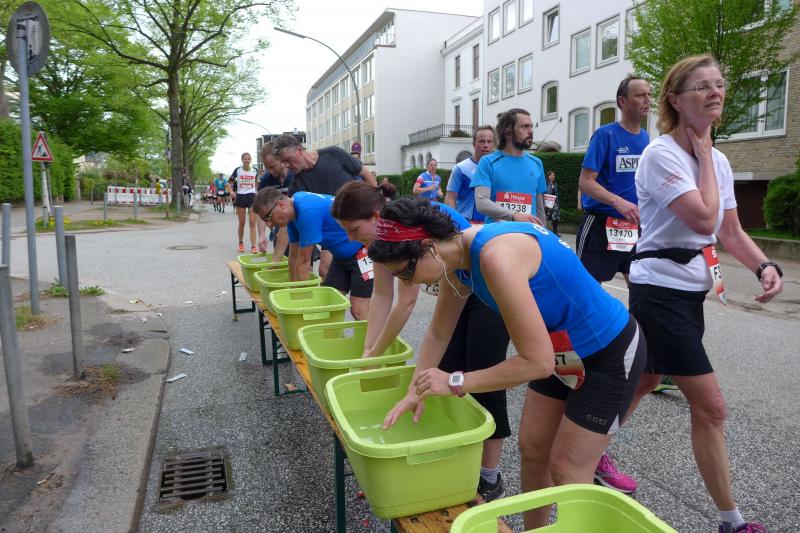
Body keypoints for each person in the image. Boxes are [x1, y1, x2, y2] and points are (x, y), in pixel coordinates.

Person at [367, 199, 646, 528]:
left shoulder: (495, 257)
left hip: (608, 352)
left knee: (568, 471)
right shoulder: (458, 261)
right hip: (561, 351)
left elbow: (536, 362)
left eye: (405, 272)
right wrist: (416, 391)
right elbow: (439, 333)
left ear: (428, 246)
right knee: (533, 451)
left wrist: (455, 382)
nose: (407, 283)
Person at [626, 54, 783, 533]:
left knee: (645, 381)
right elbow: (701, 219)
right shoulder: (662, 155)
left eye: (719, 84)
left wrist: (764, 265)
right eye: (702, 86)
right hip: (659, 289)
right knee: (712, 406)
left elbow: (729, 229)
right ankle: (731, 521)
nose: (715, 92)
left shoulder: (718, 160)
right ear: (675, 100)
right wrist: (704, 155)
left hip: (688, 293)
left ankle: (585, 446)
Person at [333, 180, 512, 502]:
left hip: (485, 287)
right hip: (455, 287)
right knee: (442, 373)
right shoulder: (381, 239)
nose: (349, 238)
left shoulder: (405, 227)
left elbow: (406, 302)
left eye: (353, 229)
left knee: (482, 378)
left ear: (376, 217)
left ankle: (489, 475)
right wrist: (369, 352)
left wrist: (374, 355)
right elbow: (381, 295)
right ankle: (449, 461)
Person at [252, 187, 373, 320]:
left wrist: (298, 306)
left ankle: (376, 334)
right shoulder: (293, 213)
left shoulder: (307, 211)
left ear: (281, 205)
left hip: (363, 252)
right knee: (327, 303)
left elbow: (304, 262)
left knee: (359, 310)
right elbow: (294, 257)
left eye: (269, 217)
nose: (269, 224)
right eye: (265, 220)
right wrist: (293, 294)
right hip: (341, 256)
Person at [576, 75, 652, 285]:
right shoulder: (605, 135)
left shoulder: (646, 138)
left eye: (649, 94)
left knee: (639, 288)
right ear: (622, 101)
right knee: (587, 289)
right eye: (640, 95)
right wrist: (618, 202)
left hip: (632, 226)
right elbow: (585, 182)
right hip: (601, 224)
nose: (647, 100)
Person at [273, 134, 377, 280]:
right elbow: (289, 226)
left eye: (287, 160)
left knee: (367, 273)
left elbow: (365, 174)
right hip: (332, 228)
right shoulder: (296, 186)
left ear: (299, 150)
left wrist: (377, 203)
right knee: (324, 269)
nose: (286, 165)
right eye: (283, 162)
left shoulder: (333, 154)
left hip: (359, 221)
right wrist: (276, 259)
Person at [471, 108, 546, 224]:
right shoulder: (488, 162)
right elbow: (481, 203)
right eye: (524, 127)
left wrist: (543, 232)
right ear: (508, 131)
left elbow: (540, 209)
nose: (531, 131)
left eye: (531, 127)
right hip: (498, 233)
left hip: (528, 232)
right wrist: (514, 215)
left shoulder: (537, 163)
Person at [445, 126, 495, 223]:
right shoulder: (460, 168)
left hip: (492, 224)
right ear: (474, 144)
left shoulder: (498, 168)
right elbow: (450, 198)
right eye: (481, 141)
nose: (486, 145)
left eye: (489, 141)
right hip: (467, 224)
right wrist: (454, 223)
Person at [258, 142, 295, 258]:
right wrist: (262, 234)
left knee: (300, 261)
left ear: (281, 159)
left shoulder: (296, 174)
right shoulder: (266, 180)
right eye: (267, 168)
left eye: (272, 166)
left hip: (299, 222)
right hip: (279, 223)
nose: (270, 171)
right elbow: (261, 209)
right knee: (281, 259)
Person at [229, 153, 258, 253]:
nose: (247, 160)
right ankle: (241, 243)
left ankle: (253, 246)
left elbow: (257, 182)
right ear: (242, 160)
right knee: (242, 223)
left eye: (248, 159)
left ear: (250, 160)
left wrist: (257, 191)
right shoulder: (238, 170)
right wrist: (231, 191)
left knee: (252, 222)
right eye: (245, 159)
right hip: (241, 197)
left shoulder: (254, 170)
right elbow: (229, 183)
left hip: (252, 196)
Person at [544, 171, 560, 236]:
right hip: (547, 202)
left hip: (554, 203)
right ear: (548, 176)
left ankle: (555, 231)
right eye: (551, 175)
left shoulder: (555, 184)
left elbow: (557, 194)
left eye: (553, 175)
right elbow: (544, 193)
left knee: (556, 217)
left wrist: (558, 204)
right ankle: (545, 231)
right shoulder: (546, 183)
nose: (553, 176)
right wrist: (544, 203)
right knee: (548, 217)